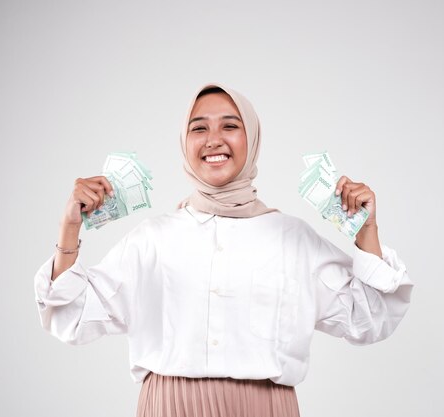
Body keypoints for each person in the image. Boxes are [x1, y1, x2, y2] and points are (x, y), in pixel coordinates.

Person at [34, 83, 414, 417]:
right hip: (169, 407)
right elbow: (70, 317)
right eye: (199, 128)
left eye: (230, 126)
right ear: (185, 144)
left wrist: (367, 229)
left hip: (266, 408)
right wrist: (69, 227)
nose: (213, 139)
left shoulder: (293, 239)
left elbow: (370, 320)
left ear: (252, 140)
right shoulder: (153, 238)